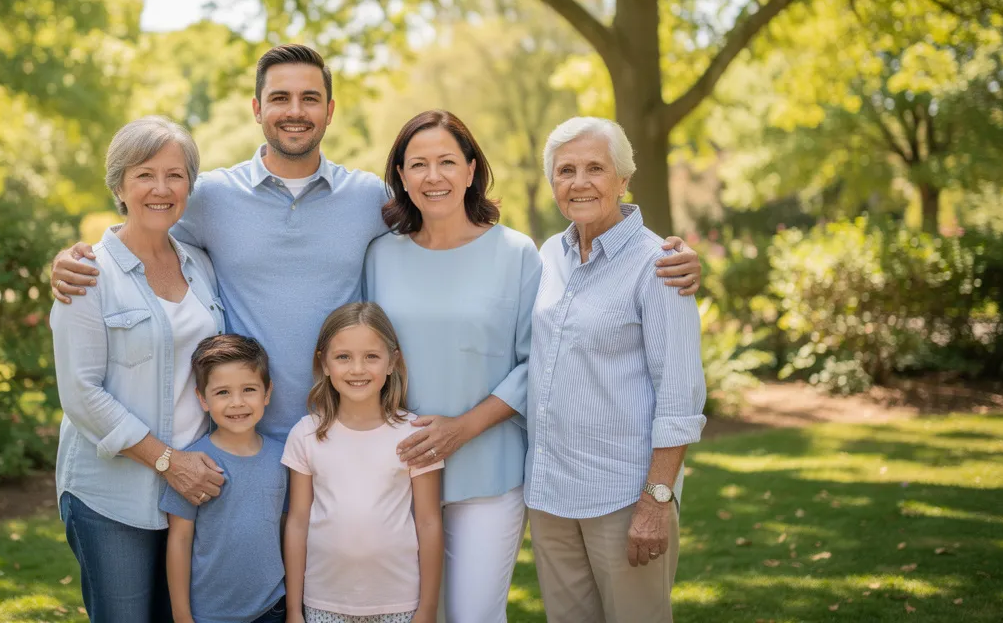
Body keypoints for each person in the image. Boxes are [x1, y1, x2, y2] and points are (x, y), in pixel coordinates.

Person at [48, 44, 702, 453]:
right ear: (256, 108)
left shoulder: (369, 201)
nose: (294, 110)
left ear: (330, 110)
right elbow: (145, 228)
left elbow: (449, 232)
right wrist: (76, 258)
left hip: (342, 431)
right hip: (236, 432)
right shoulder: (210, 197)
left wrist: (645, 247)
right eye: (280, 98)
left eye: (310, 98)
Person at [526, 117, 707, 623]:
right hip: (552, 497)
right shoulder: (549, 257)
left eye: (595, 168)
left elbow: (680, 396)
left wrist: (655, 502)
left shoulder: (659, 264)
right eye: (565, 170)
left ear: (624, 178)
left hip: (624, 498)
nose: (579, 182)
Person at [51, 116, 230, 623]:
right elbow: (82, 395)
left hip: (192, 492)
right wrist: (167, 461)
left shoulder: (201, 264)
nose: (161, 188)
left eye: (175, 175)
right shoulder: (88, 274)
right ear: (118, 186)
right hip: (114, 497)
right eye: (145, 174)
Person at [362, 110, 538, 623]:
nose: (432, 176)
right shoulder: (379, 256)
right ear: (401, 176)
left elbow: (534, 364)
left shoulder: (515, 253)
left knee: (474, 616)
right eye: (418, 164)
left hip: (488, 469)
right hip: (397, 471)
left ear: (470, 170)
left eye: (446, 161)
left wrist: (461, 429)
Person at [282, 303, 443, 623]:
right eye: (343, 357)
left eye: (371, 356)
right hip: (323, 602)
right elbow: (297, 522)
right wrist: (293, 610)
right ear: (324, 363)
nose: (357, 369)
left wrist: (427, 609)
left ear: (392, 362)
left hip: (398, 604)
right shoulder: (305, 434)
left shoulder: (414, 434)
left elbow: (428, 522)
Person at [162, 334, 288, 623]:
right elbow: (179, 539)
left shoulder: (283, 458)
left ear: (267, 393)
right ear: (202, 399)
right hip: (210, 613)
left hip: (271, 607)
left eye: (249, 389)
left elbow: (285, 527)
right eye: (222, 393)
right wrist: (182, 615)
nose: (237, 402)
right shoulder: (193, 463)